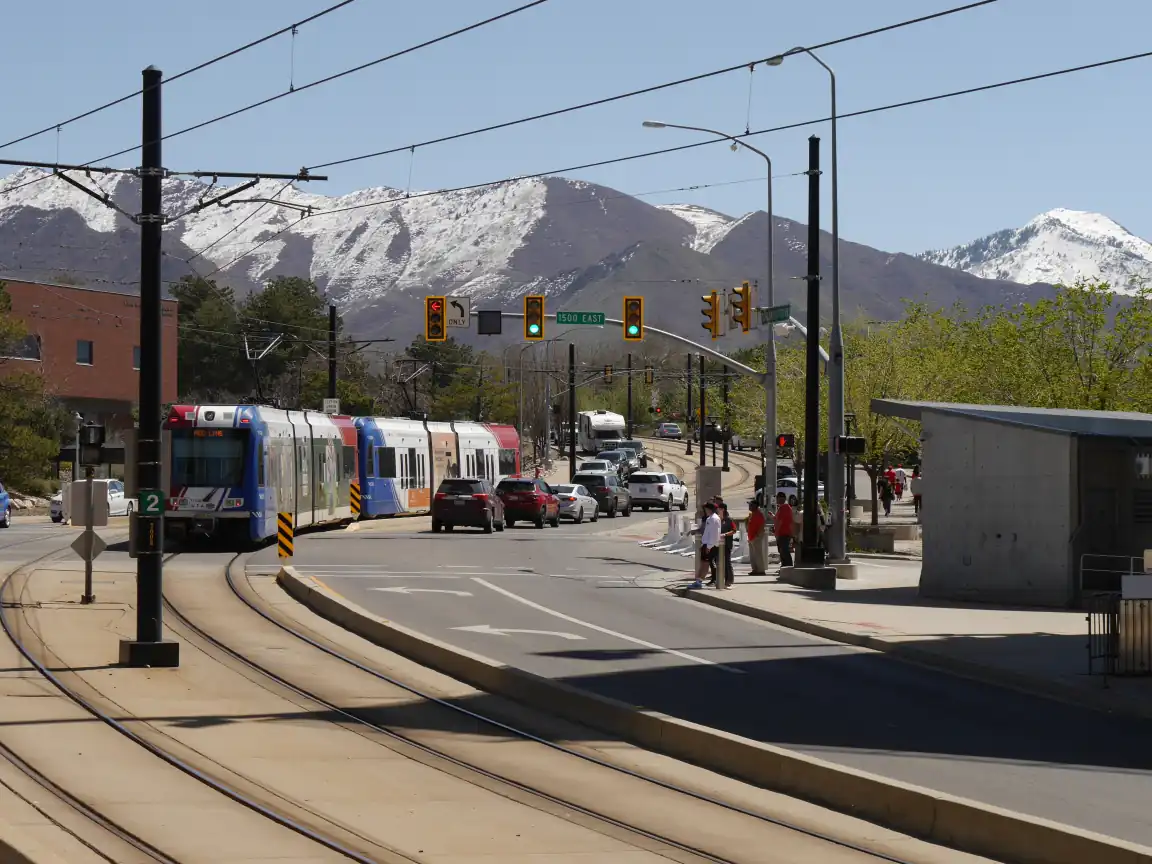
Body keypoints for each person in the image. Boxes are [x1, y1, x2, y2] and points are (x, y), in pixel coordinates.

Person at [690, 502, 721, 590]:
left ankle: (699, 582)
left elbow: (715, 534)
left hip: (710, 545)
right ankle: (698, 581)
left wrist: (709, 546)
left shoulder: (713, 519)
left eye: (706, 508)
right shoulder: (710, 518)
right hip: (707, 544)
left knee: (705, 564)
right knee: (703, 563)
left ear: (709, 509)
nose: (705, 510)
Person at [772, 492, 794, 570]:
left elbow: (780, 522)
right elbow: (779, 519)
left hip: (783, 533)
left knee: (784, 551)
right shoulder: (784, 508)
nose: (777, 500)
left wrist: (776, 533)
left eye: (778, 498)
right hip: (784, 533)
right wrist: (774, 517)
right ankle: (784, 567)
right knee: (782, 551)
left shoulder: (783, 508)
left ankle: (788, 567)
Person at [718, 501, 736, 589]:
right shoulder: (718, 519)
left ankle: (729, 580)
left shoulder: (728, 520)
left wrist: (725, 534)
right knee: (720, 562)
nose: (718, 510)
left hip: (727, 543)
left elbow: (734, 530)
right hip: (719, 544)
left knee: (727, 562)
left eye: (720, 509)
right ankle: (721, 579)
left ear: (723, 509)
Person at [746, 499, 767, 575]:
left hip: (756, 537)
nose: (749, 506)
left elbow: (762, 526)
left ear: (755, 506)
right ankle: (755, 569)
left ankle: (760, 570)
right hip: (751, 537)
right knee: (753, 555)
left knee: (758, 554)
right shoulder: (752, 514)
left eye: (751, 505)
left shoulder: (759, 514)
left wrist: (757, 535)